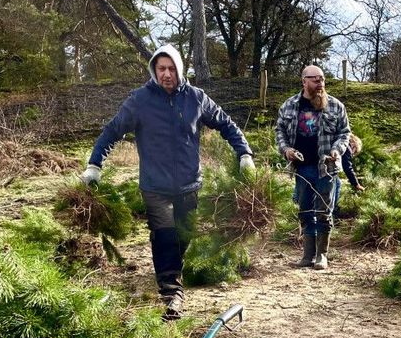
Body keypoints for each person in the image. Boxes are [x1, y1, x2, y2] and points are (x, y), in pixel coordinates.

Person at [81, 44, 254, 320]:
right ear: (154, 70)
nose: (166, 74)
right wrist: (94, 165)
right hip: (155, 185)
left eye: (171, 68)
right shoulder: (140, 100)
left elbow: (226, 123)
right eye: (161, 69)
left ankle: (172, 273)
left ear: (180, 69)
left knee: (183, 234)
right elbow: (112, 131)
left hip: (189, 183)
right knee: (164, 235)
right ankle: (171, 293)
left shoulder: (196, 98)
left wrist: (244, 152)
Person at [275, 65, 351, 271]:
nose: (320, 83)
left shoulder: (335, 106)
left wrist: (337, 150)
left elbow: (345, 133)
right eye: (315, 79)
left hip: (326, 169)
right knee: (305, 211)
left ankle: (322, 255)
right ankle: (307, 255)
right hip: (301, 169)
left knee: (324, 211)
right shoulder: (289, 105)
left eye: (322, 79)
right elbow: (279, 130)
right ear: (304, 81)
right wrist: (286, 149)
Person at [332, 133, 365, 220]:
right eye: (355, 152)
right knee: (337, 183)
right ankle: (333, 212)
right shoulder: (347, 147)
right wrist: (356, 184)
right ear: (354, 145)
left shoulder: (338, 140)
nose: (353, 154)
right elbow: (347, 167)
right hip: (328, 168)